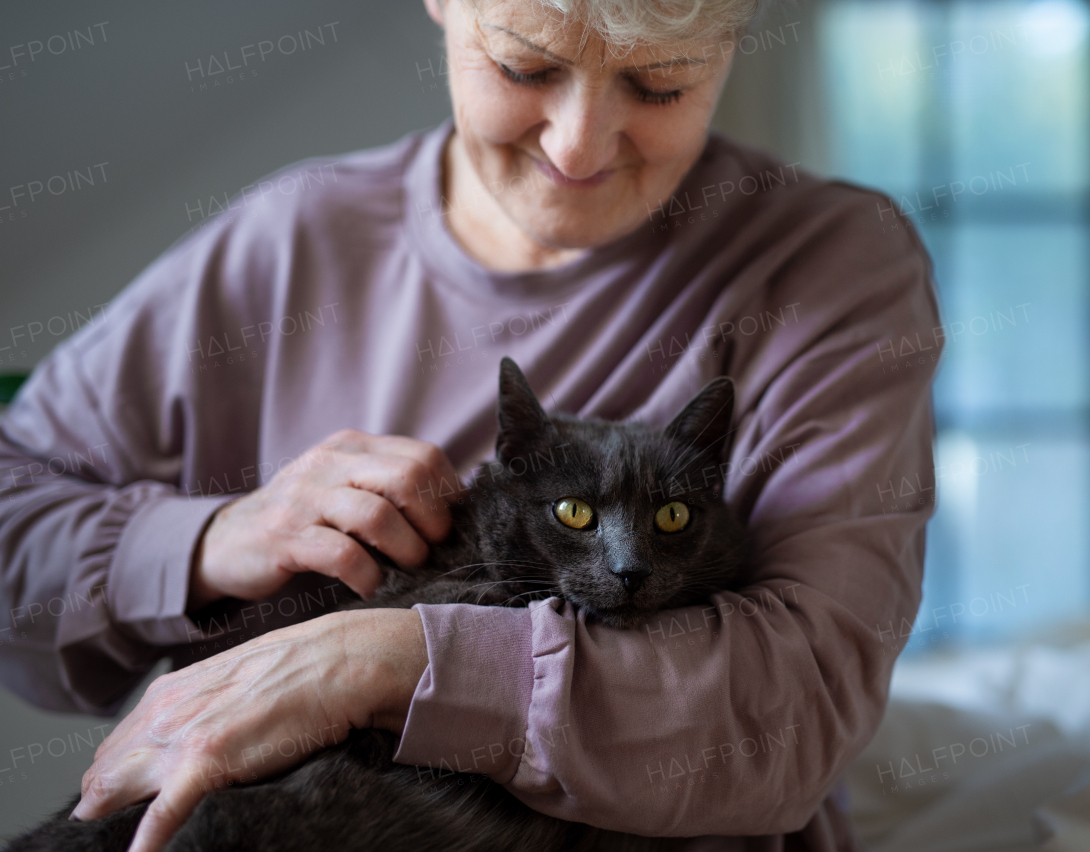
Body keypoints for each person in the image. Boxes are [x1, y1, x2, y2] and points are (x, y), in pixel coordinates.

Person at [0, 0, 941, 849]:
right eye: (527, 68)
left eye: (660, 82)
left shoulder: (827, 266)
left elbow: (798, 708)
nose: (578, 146)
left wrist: (381, 660)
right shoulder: (289, 242)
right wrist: (205, 537)